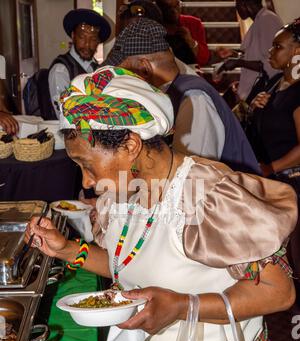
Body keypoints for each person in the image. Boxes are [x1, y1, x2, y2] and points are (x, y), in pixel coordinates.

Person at [26, 66, 297, 341]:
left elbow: (278, 291)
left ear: (129, 145)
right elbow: (121, 262)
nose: (85, 181)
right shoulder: (122, 192)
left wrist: (183, 306)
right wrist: (68, 250)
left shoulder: (205, 195)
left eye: (88, 165)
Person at [104, 18, 260, 174]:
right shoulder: (174, 94)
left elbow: (188, 177)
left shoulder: (194, 99)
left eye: (124, 75)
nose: (122, 83)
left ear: (144, 69)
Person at [249, 19, 300, 284]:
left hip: (293, 183)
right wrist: (256, 107)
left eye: (278, 46)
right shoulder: (277, 82)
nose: (271, 52)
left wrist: (270, 168)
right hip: (275, 182)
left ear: (296, 52)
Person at [48, 8, 111, 119]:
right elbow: (64, 115)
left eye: (93, 39)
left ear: (98, 42)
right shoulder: (61, 70)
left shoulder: (97, 68)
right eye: (82, 37)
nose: (87, 44)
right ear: (73, 36)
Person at [217, 0, 283, 101]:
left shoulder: (267, 19)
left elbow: (271, 64)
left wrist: (238, 63)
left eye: (237, 4)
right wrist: (234, 53)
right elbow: (257, 55)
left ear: (244, 4)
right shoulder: (259, 20)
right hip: (251, 91)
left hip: (260, 94)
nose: (236, 9)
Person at [155, 0, 210, 67]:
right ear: (158, 8)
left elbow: (204, 59)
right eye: (168, 8)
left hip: (189, 72)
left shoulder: (193, 23)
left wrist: (190, 41)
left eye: (176, 6)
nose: (173, 11)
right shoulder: (152, 25)